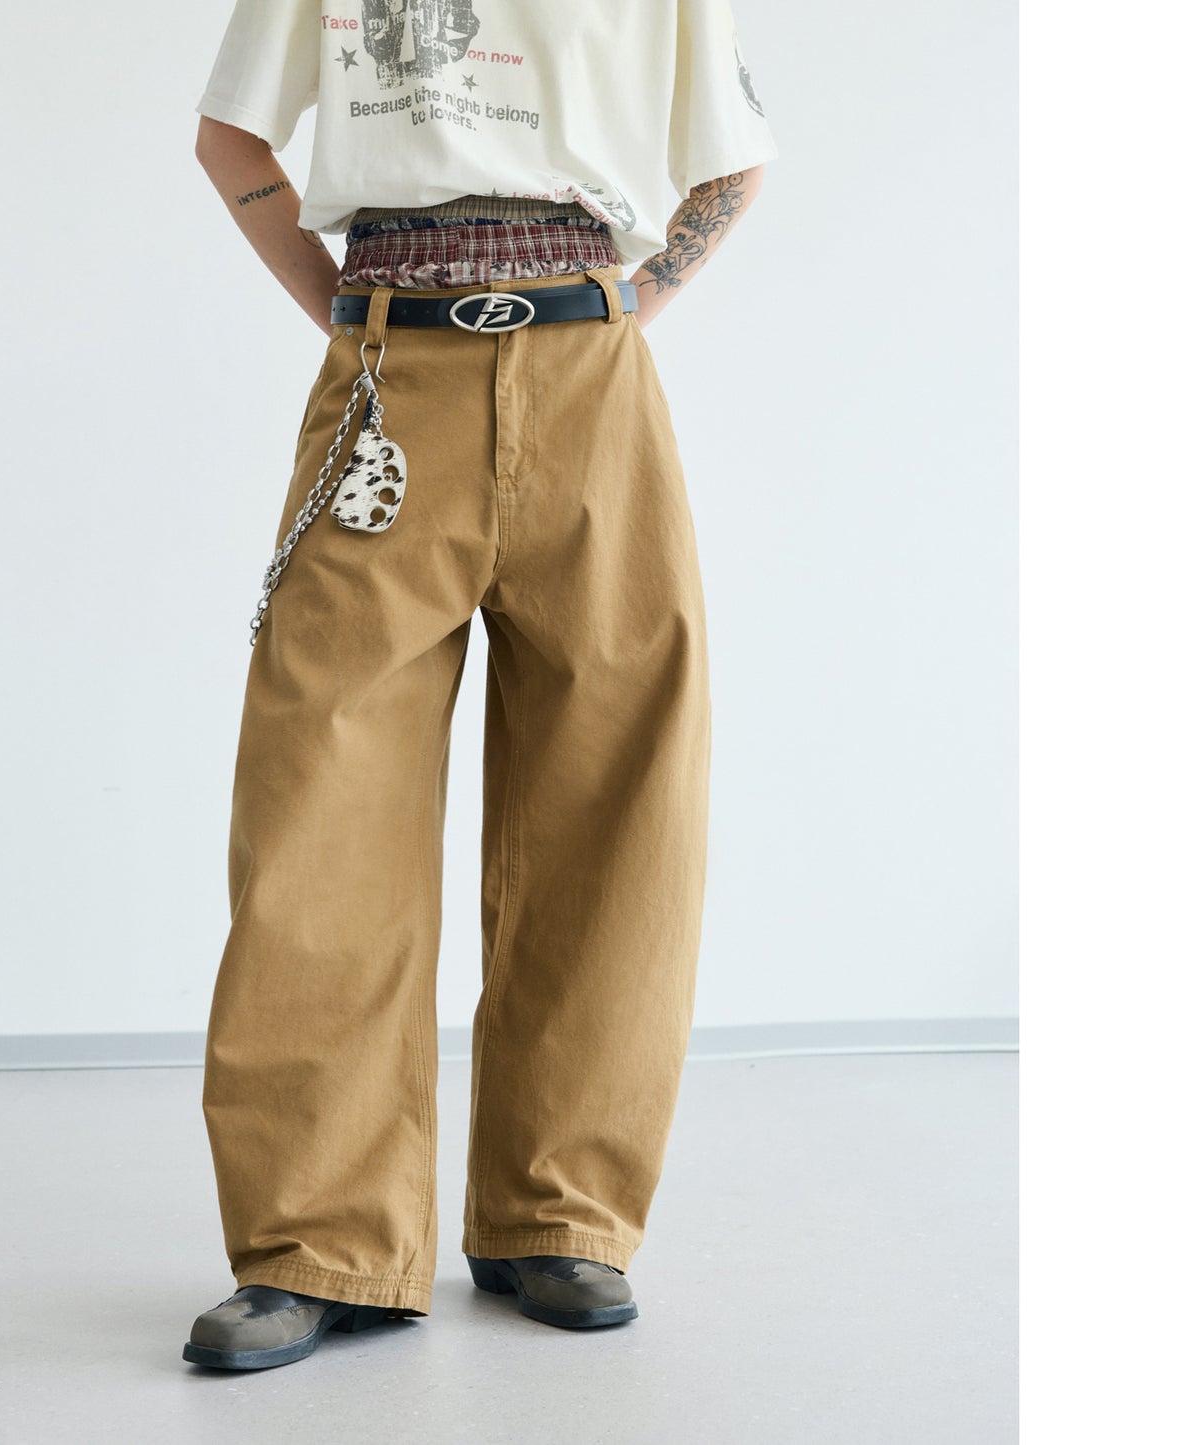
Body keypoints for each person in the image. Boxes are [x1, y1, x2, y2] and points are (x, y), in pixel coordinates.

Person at [182, 0, 778, 1371]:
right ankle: (315, 1242)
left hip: (592, 380)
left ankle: (558, 1216)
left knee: (617, 792)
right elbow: (230, 137)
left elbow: (732, 161)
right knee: (320, 804)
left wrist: (622, 309)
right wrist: (350, 317)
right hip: (389, 375)